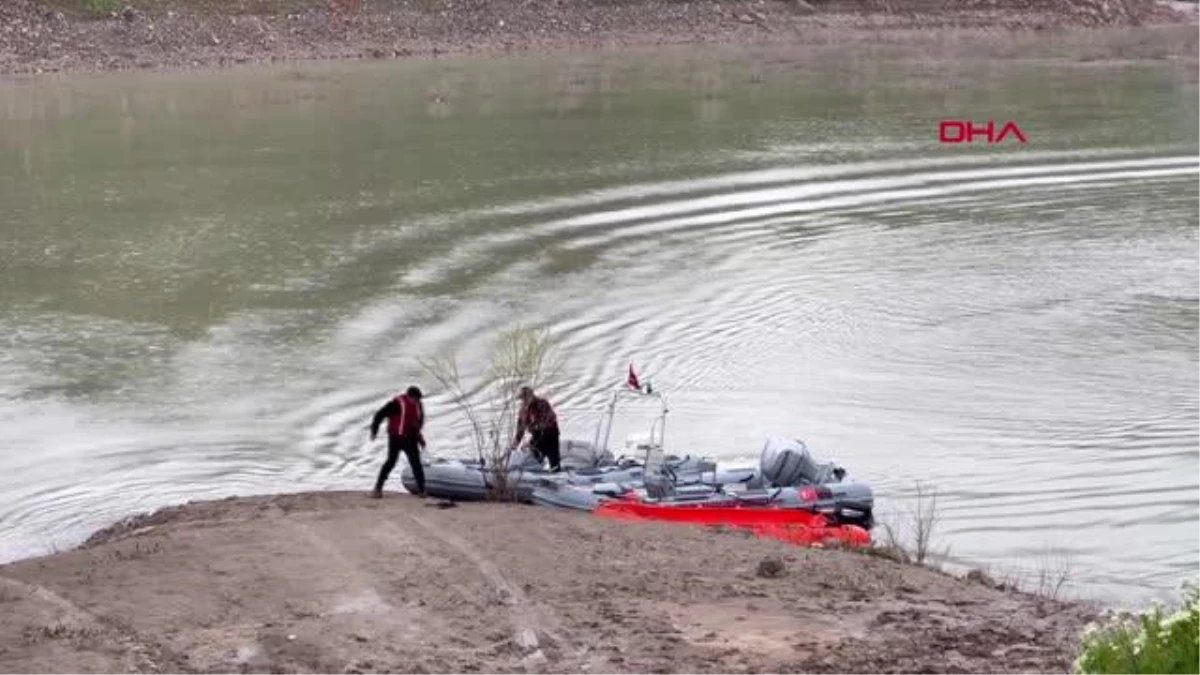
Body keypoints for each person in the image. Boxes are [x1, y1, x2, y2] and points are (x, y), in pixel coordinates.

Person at [369, 385, 426, 498]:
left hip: (410, 439)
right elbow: (379, 415)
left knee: (416, 463)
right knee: (391, 462)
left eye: (418, 400)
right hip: (396, 438)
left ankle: (422, 490)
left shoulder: (418, 406)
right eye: (414, 399)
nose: (416, 402)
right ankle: (378, 488)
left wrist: (420, 439)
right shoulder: (396, 404)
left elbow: (416, 424)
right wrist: (374, 430)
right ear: (409, 397)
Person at [511, 386, 561, 472]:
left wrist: (529, 442)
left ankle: (556, 472)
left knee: (554, 462)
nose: (524, 401)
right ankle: (538, 473)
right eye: (523, 399)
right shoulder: (523, 411)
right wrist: (514, 445)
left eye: (525, 398)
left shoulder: (542, 404)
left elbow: (546, 423)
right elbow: (520, 430)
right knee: (534, 460)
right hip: (537, 435)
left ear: (531, 396)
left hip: (550, 435)